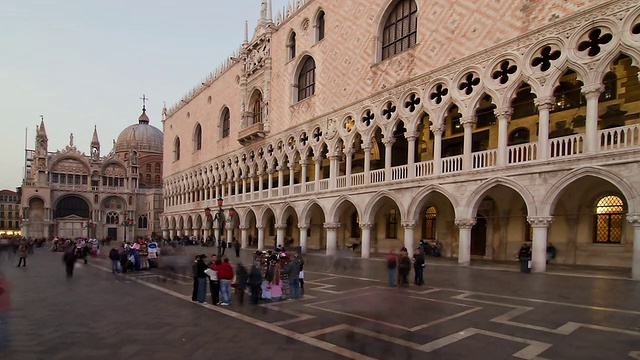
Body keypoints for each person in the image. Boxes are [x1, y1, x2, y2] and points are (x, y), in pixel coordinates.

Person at [0, 270, 10, 350]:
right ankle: (5, 340)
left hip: (2, 308)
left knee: (3, 324)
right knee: (4, 324)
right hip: (5, 308)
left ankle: (2, 341)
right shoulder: (5, 283)